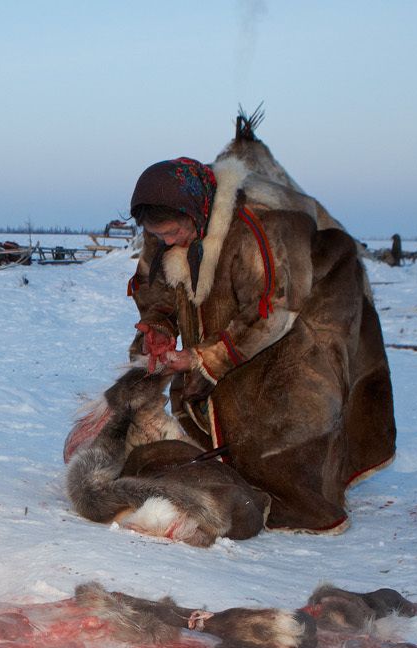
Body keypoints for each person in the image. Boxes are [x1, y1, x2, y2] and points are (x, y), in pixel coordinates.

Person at [124, 156, 396, 532]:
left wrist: (204, 357)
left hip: (308, 308)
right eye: (159, 236)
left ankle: (299, 492)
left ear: (196, 213)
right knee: (219, 410)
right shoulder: (170, 226)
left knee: (284, 411)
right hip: (254, 314)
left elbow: (273, 310)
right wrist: (159, 325)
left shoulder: (257, 227)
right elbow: (158, 290)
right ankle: (236, 471)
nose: (167, 242)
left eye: (173, 233)